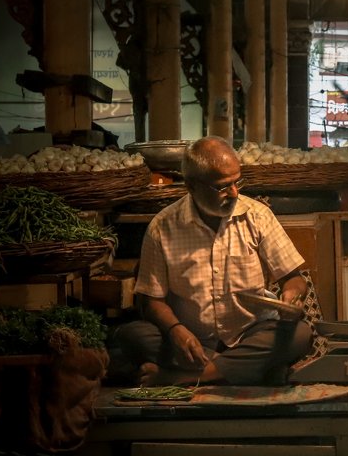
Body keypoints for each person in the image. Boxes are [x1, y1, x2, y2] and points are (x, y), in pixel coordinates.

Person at [110, 136, 315, 386]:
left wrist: (291, 297)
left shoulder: (258, 216)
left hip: (250, 333)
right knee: (133, 335)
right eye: (222, 187)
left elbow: (293, 278)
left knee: (300, 334)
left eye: (237, 182)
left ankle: (182, 377)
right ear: (192, 186)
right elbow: (151, 301)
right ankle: (249, 370)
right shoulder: (162, 227)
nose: (234, 193)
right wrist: (176, 330)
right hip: (192, 340)